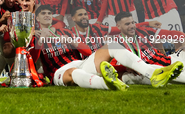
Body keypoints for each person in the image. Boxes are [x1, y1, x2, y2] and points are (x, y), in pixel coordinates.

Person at [35, 5, 183, 90]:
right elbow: (34, 61)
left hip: (81, 64)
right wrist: (40, 42)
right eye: (43, 13)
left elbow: (87, 51)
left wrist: (71, 41)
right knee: (73, 72)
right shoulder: (34, 35)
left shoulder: (65, 32)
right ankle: (107, 84)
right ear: (37, 17)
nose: (47, 15)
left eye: (49, 13)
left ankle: (153, 72)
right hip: (59, 72)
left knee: (112, 45)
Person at [113, 11, 185, 84]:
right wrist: (125, 67)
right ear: (118, 26)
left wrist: (183, 38)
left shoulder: (143, 31)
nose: (132, 26)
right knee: (127, 77)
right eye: (127, 24)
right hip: (151, 71)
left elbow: (171, 34)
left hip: (170, 61)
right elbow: (112, 66)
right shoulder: (116, 44)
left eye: (133, 22)